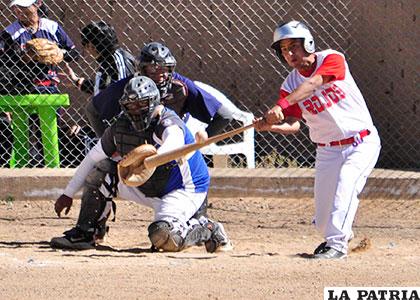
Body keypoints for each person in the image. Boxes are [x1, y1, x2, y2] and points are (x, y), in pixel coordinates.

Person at [51, 75, 232, 253]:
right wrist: (67, 194)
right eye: (130, 105)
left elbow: (173, 141)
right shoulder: (120, 127)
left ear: (153, 102)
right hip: (145, 186)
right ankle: (87, 233)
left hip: (182, 189)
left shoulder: (168, 122)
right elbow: (91, 159)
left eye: (141, 104)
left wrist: (155, 158)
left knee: (162, 236)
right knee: (102, 169)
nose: (136, 110)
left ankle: (207, 228)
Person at [257, 21, 381, 259]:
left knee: (346, 183)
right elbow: (293, 125)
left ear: (309, 43)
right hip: (327, 151)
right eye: (283, 50)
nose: (289, 54)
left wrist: (281, 105)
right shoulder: (288, 85)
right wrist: (270, 125)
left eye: (294, 46)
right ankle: (339, 233)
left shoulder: (332, 59)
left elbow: (313, 83)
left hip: (360, 142)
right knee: (323, 222)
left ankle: (337, 245)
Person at [85, 41, 237, 139]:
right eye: (153, 69)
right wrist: (107, 145)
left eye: (165, 69)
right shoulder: (132, 85)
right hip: (136, 143)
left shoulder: (179, 85)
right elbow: (93, 110)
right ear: (141, 69)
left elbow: (225, 115)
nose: (161, 75)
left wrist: (199, 144)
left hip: (173, 142)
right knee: (103, 169)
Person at [0, 0, 80, 167]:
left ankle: (50, 169)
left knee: (49, 134)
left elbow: (75, 54)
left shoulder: (51, 27)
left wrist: (59, 53)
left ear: (37, 4)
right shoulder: (10, 33)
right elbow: (4, 64)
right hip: (22, 88)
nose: (19, 11)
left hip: (49, 87)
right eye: (16, 8)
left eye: (23, 7)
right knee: (22, 136)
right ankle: (22, 170)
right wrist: (24, 58)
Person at [64, 21, 135, 96]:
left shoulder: (118, 61)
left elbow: (121, 93)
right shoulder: (107, 60)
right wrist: (77, 81)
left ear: (91, 45)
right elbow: (103, 90)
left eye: (85, 44)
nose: (86, 49)